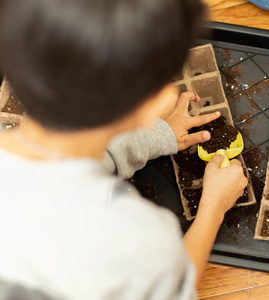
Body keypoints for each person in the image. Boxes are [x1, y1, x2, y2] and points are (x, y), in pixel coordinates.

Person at [0, 0, 248, 299]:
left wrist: (156, 137)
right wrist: (213, 206)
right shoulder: (131, 237)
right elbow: (175, 286)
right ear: (150, 107)